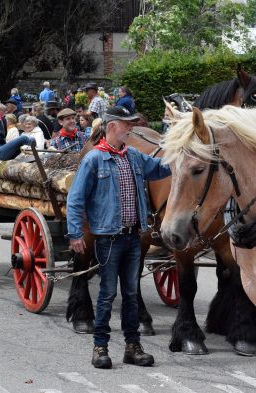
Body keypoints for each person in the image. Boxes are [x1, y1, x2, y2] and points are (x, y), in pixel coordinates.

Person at [67, 105, 171, 369]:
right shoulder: (94, 159)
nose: (131, 128)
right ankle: (100, 347)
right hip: (108, 239)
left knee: (131, 295)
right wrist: (76, 233)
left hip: (133, 238)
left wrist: (184, 151)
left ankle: (132, 347)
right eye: (127, 124)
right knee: (107, 294)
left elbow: (161, 169)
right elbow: (76, 199)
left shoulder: (134, 156)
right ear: (113, 127)